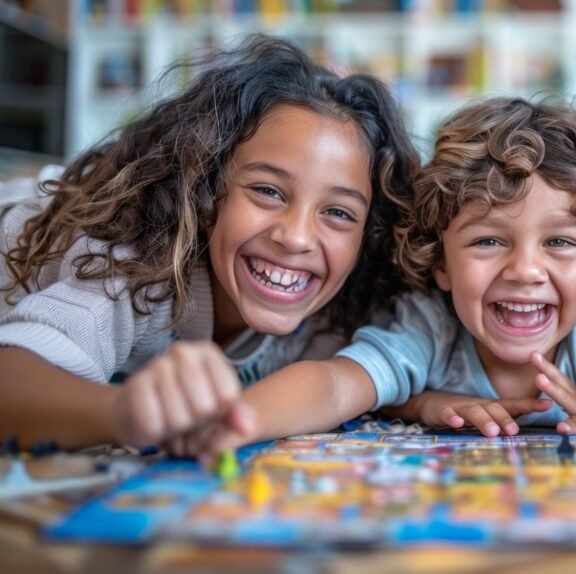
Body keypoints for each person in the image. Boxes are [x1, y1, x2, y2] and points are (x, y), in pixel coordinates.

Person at [190, 97, 576, 455]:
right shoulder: (427, 330)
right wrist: (235, 420)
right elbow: (331, 385)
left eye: (561, 243)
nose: (525, 271)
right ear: (439, 260)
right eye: (489, 240)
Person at [0, 35, 419, 452]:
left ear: (369, 236)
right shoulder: (129, 257)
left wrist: (425, 400)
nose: (295, 237)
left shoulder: (340, 313)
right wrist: (126, 412)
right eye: (268, 191)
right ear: (202, 190)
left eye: (339, 213)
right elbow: (11, 387)